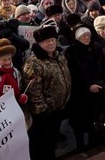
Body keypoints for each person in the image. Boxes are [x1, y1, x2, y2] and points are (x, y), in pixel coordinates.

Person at [23, 25, 71, 160]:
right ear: (39, 43)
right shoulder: (34, 63)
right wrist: (42, 109)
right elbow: (33, 90)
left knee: (51, 142)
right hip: (44, 114)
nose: (51, 43)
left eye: (53, 40)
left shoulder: (59, 56)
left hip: (58, 108)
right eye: (47, 41)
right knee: (42, 145)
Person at [65, 24, 105, 151]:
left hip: (97, 91)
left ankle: (92, 142)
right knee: (79, 121)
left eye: (88, 35)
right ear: (77, 38)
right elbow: (71, 75)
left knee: (95, 118)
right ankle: (80, 144)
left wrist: (103, 83)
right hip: (79, 94)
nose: (86, 38)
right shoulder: (71, 52)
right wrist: (87, 87)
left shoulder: (96, 48)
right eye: (83, 36)